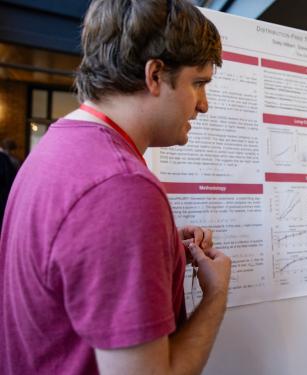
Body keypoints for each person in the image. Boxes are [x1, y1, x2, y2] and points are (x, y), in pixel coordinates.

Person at [0, 1, 231, 374]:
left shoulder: (59, 146)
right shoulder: (121, 188)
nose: (203, 105)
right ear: (155, 75)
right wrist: (216, 296)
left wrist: (160, 249)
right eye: (198, 83)